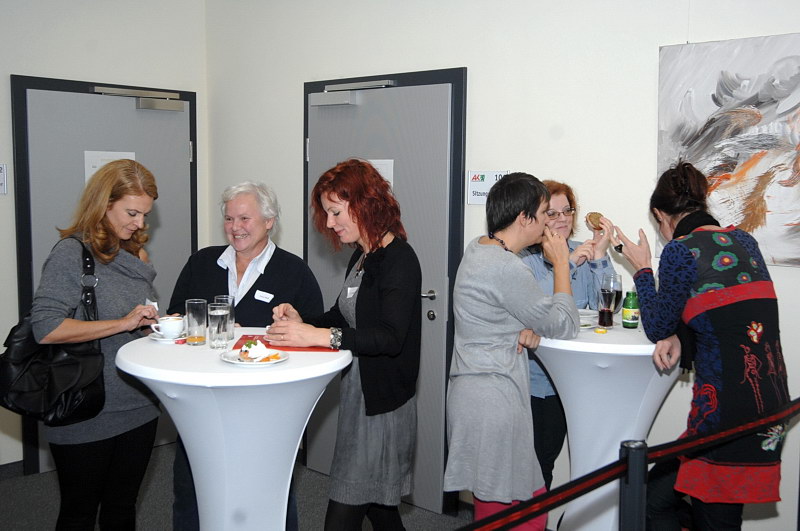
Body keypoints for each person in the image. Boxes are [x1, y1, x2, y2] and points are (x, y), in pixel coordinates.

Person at [614, 161, 789, 530]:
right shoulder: (744, 241)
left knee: (699, 515)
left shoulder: (681, 250)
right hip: (768, 400)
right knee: (660, 500)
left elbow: (656, 325)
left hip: (726, 414)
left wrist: (642, 268)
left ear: (661, 215)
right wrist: (682, 338)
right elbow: (726, 314)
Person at [266, 159, 421, 531]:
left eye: (336, 212)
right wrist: (304, 322)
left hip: (382, 407)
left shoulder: (399, 259)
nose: (330, 223)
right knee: (379, 508)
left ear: (365, 204)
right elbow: (342, 314)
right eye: (327, 213)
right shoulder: (363, 255)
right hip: (358, 396)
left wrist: (319, 337)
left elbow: (389, 338)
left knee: (346, 510)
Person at [167, 181, 323, 531]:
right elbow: (177, 317)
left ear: (269, 221)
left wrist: (296, 325)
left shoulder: (294, 271)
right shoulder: (201, 263)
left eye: (244, 218)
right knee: (192, 491)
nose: (235, 227)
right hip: (202, 400)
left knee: (267, 492)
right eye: (228, 219)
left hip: (264, 407)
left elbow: (314, 334)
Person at [444, 172, 580, 530]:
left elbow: (501, 310)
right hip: (494, 401)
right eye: (544, 213)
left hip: (475, 394)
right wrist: (562, 263)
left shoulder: (478, 247)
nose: (550, 222)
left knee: (509, 506)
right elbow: (564, 323)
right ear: (524, 218)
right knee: (516, 516)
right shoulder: (506, 268)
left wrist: (521, 324)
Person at [30, 159, 161, 530]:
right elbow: (46, 327)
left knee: (122, 509)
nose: (139, 224)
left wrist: (159, 327)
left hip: (138, 404)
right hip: (84, 407)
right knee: (80, 513)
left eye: (145, 214)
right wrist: (123, 323)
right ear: (104, 204)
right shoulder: (71, 253)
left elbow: (139, 320)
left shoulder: (137, 255)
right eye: (132, 213)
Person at [520, 179, 616, 490]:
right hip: (539, 383)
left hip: (582, 377)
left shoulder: (582, 250)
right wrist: (568, 265)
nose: (562, 219)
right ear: (536, 217)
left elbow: (609, 306)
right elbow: (536, 312)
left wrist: (600, 257)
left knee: (590, 461)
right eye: (552, 213)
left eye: (567, 211)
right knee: (538, 465)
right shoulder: (525, 259)